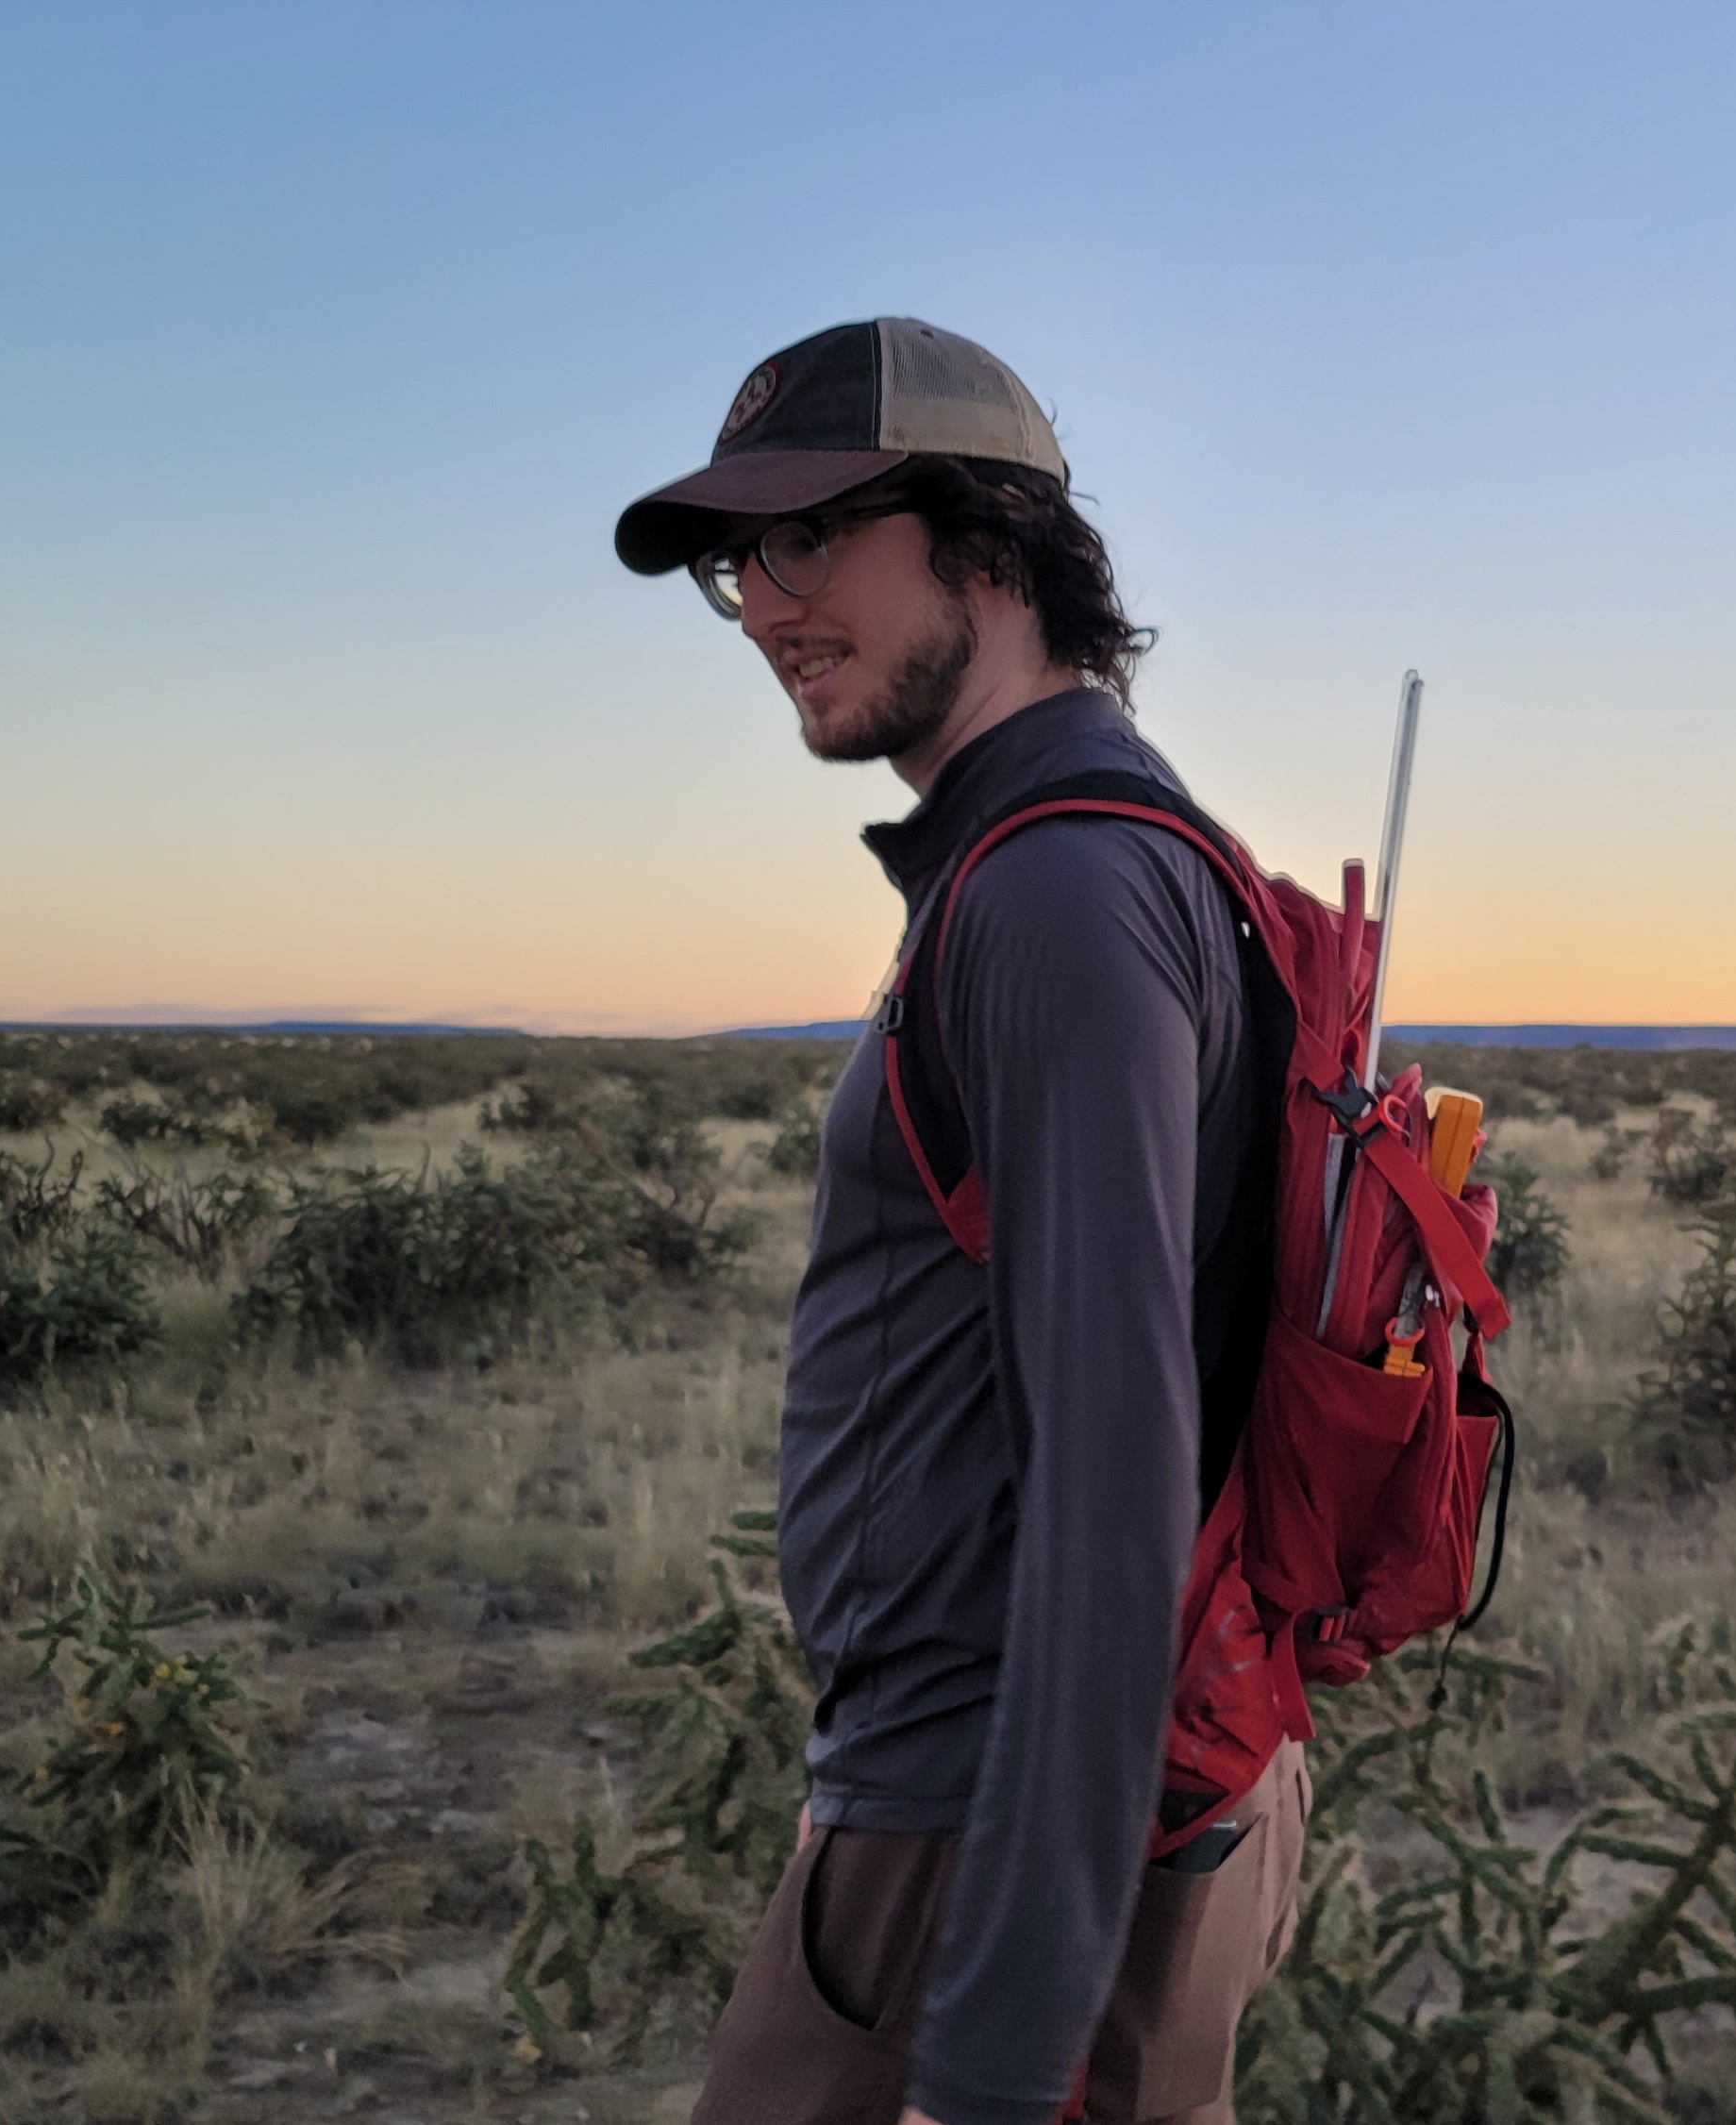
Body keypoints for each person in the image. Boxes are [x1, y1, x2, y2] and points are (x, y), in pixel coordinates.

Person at [615, 319, 1304, 2125]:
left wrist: (991, 2058)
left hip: (984, 1822)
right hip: (1038, 1791)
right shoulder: (1099, 853)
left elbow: (1114, 1477)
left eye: (805, 539)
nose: (763, 609)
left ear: (992, 543)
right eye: (735, 565)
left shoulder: (1060, 890)